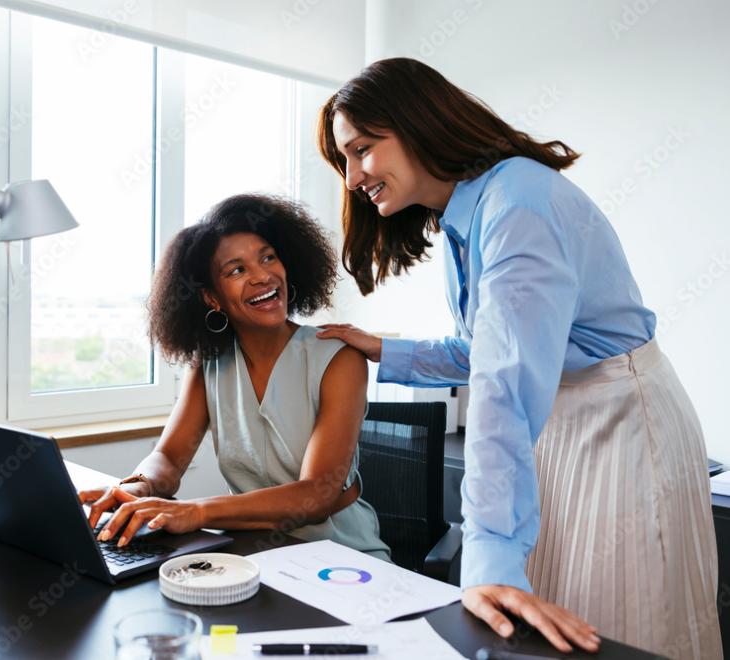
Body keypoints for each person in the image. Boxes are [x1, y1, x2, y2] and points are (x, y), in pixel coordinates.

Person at [314, 57, 719, 659]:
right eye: (344, 160)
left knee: (617, 627)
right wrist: (384, 349)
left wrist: (489, 563)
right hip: (562, 424)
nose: (351, 178)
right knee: (550, 618)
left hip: (619, 428)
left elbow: (502, 387)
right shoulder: (462, 216)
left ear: (419, 123)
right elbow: (491, 352)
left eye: (363, 149)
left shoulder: (517, 207)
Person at [79, 194, 392, 563]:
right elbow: (168, 457)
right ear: (212, 298)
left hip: (342, 557)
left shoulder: (339, 357)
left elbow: (317, 495)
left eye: (267, 257)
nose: (262, 276)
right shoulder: (208, 363)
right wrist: (136, 486)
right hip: (250, 555)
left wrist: (196, 512)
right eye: (236, 270)